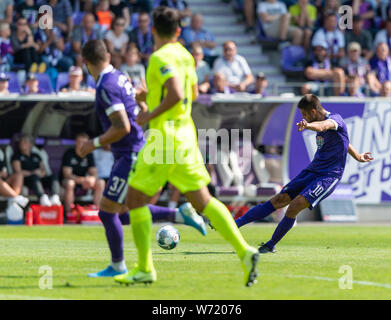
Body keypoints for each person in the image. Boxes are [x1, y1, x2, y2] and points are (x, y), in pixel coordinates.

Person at [107, 6, 259, 286]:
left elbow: (176, 93)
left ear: (153, 30)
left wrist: (148, 113)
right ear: (179, 31)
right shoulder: (187, 56)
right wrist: (149, 96)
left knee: (134, 200)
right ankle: (245, 251)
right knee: (203, 201)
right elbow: (190, 93)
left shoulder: (158, 57)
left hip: (164, 137)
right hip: (186, 135)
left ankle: (144, 268)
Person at [79, 38, 208, 278]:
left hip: (130, 153)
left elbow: (122, 127)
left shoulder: (106, 86)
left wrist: (93, 143)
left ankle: (118, 266)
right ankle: (179, 215)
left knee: (107, 212)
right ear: (107, 55)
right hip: (132, 150)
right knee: (125, 212)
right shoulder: (119, 76)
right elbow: (143, 96)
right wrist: (141, 104)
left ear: (86, 63)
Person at [235, 94, 373, 253]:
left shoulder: (335, 120)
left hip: (328, 176)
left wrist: (307, 126)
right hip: (312, 170)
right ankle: (234, 224)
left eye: (304, 114)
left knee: (294, 206)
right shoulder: (326, 125)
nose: (303, 117)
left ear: (313, 111)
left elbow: (323, 126)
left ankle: (270, 245)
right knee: (279, 199)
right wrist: (358, 156)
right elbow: (344, 141)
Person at [60, 132, 106, 214]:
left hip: (83, 181)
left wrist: (91, 179)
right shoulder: (69, 154)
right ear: (76, 142)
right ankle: (69, 213)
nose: (82, 145)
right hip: (69, 180)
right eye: (80, 142)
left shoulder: (89, 154)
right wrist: (82, 180)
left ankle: (98, 212)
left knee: (100, 182)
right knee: (70, 183)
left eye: (85, 143)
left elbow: (94, 173)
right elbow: (67, 174)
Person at [11, 134, 61, 207]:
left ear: (30, 145)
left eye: (25, 142)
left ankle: (55, 197)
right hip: (27, 180)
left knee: (54, 176)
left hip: (39, 179)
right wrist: (33, 173)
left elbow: (43, 170)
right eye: (21, 142)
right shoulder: (16, 156)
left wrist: (41, 173)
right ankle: (42, 197)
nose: (22, 144)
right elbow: (18, 172)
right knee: (34, 177)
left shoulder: (36, 156)